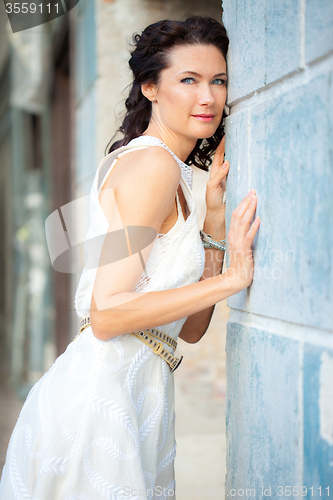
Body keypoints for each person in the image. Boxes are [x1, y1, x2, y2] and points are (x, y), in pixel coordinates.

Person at [0, 16, 260, 500]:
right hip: (98, 405)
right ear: (151, 88)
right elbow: (107, 313)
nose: (208, 97)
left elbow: (189, 328)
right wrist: (233, 279)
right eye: (188, 80)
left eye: (218, 80)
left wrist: (214, 226)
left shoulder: (173, 174)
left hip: (135, 394)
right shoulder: (151, 165)